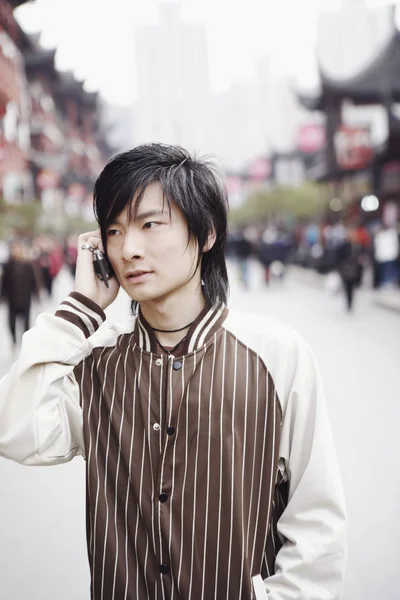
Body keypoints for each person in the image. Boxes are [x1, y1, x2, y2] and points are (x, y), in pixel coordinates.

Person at [0, 144, 346, 600]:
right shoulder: (96, 362)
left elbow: (316, 521)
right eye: (114, 231)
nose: (129, 248)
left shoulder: (275, 355)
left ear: (206, 234)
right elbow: (15, 429)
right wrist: (80, 310)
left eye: (149, 224)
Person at [0, 240, 41, 348]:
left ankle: (24, 343)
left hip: (25, 299)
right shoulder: (8, 265)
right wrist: (2, 297)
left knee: (26, 323)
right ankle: (14, 340)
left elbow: (34, 281)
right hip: (12, 299)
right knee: (11, 322)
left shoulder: (28, 265)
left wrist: (37, 295)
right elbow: (4, 283)